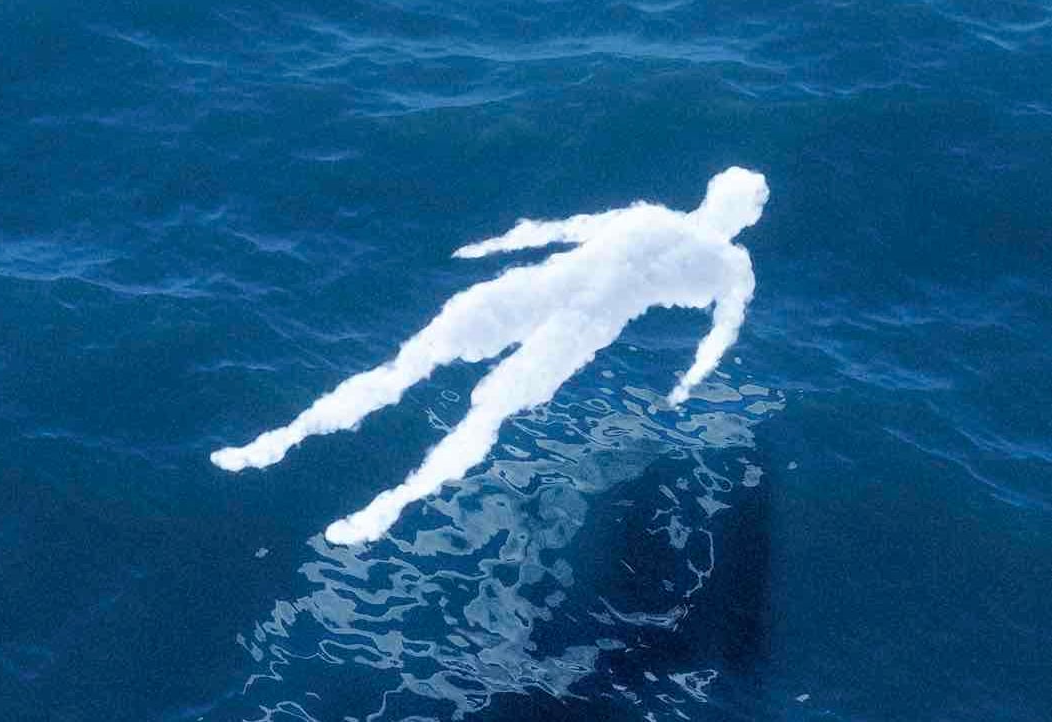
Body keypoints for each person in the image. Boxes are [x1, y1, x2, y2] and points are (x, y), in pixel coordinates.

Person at [211, 166, 769, 544]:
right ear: (736, 208)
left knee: (473, 404)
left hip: (566, 320)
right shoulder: (673, 233)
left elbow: (721, 327)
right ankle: (289, 445)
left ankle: (382, 501)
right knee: (430, 376)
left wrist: (691, 379)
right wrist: (688, 383)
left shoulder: (706, 253)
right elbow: (566, 230)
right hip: (539, 297)